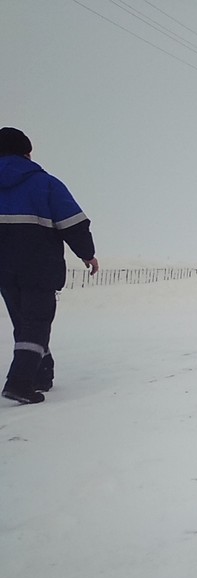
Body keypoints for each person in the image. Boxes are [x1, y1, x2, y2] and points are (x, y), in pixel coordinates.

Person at [0, 127, 99, 404]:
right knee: (36, 323)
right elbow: (74, 223)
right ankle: (19, 383)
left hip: (4, 270)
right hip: (38, 267)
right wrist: (87, 254)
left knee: (24, 321)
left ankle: (42, 374)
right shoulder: (45, 184)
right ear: (27, 153)